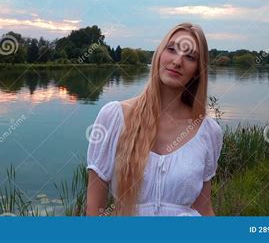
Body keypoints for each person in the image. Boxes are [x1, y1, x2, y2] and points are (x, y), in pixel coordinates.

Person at [86, 22, 224, 216]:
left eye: (190, 57)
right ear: (159, 54)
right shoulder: (114, 117)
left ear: (197, 71)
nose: (177, 61)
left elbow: (204, 208)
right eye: (171, 49)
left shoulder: (208, 131)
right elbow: (94, 210)